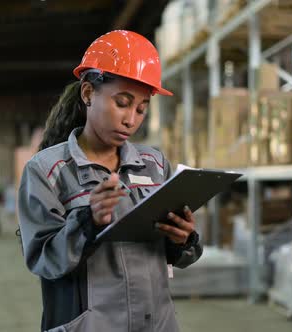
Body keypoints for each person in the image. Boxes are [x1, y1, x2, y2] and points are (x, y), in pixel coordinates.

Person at [17, 30, 202, 332]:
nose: (131, 119)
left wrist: (182, 240)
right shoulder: (48, 170)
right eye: (122, 102)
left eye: (141, 108)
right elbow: (43, 260)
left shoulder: (154, 164)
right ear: (88, 93)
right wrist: (87, 222)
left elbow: (180, 257)